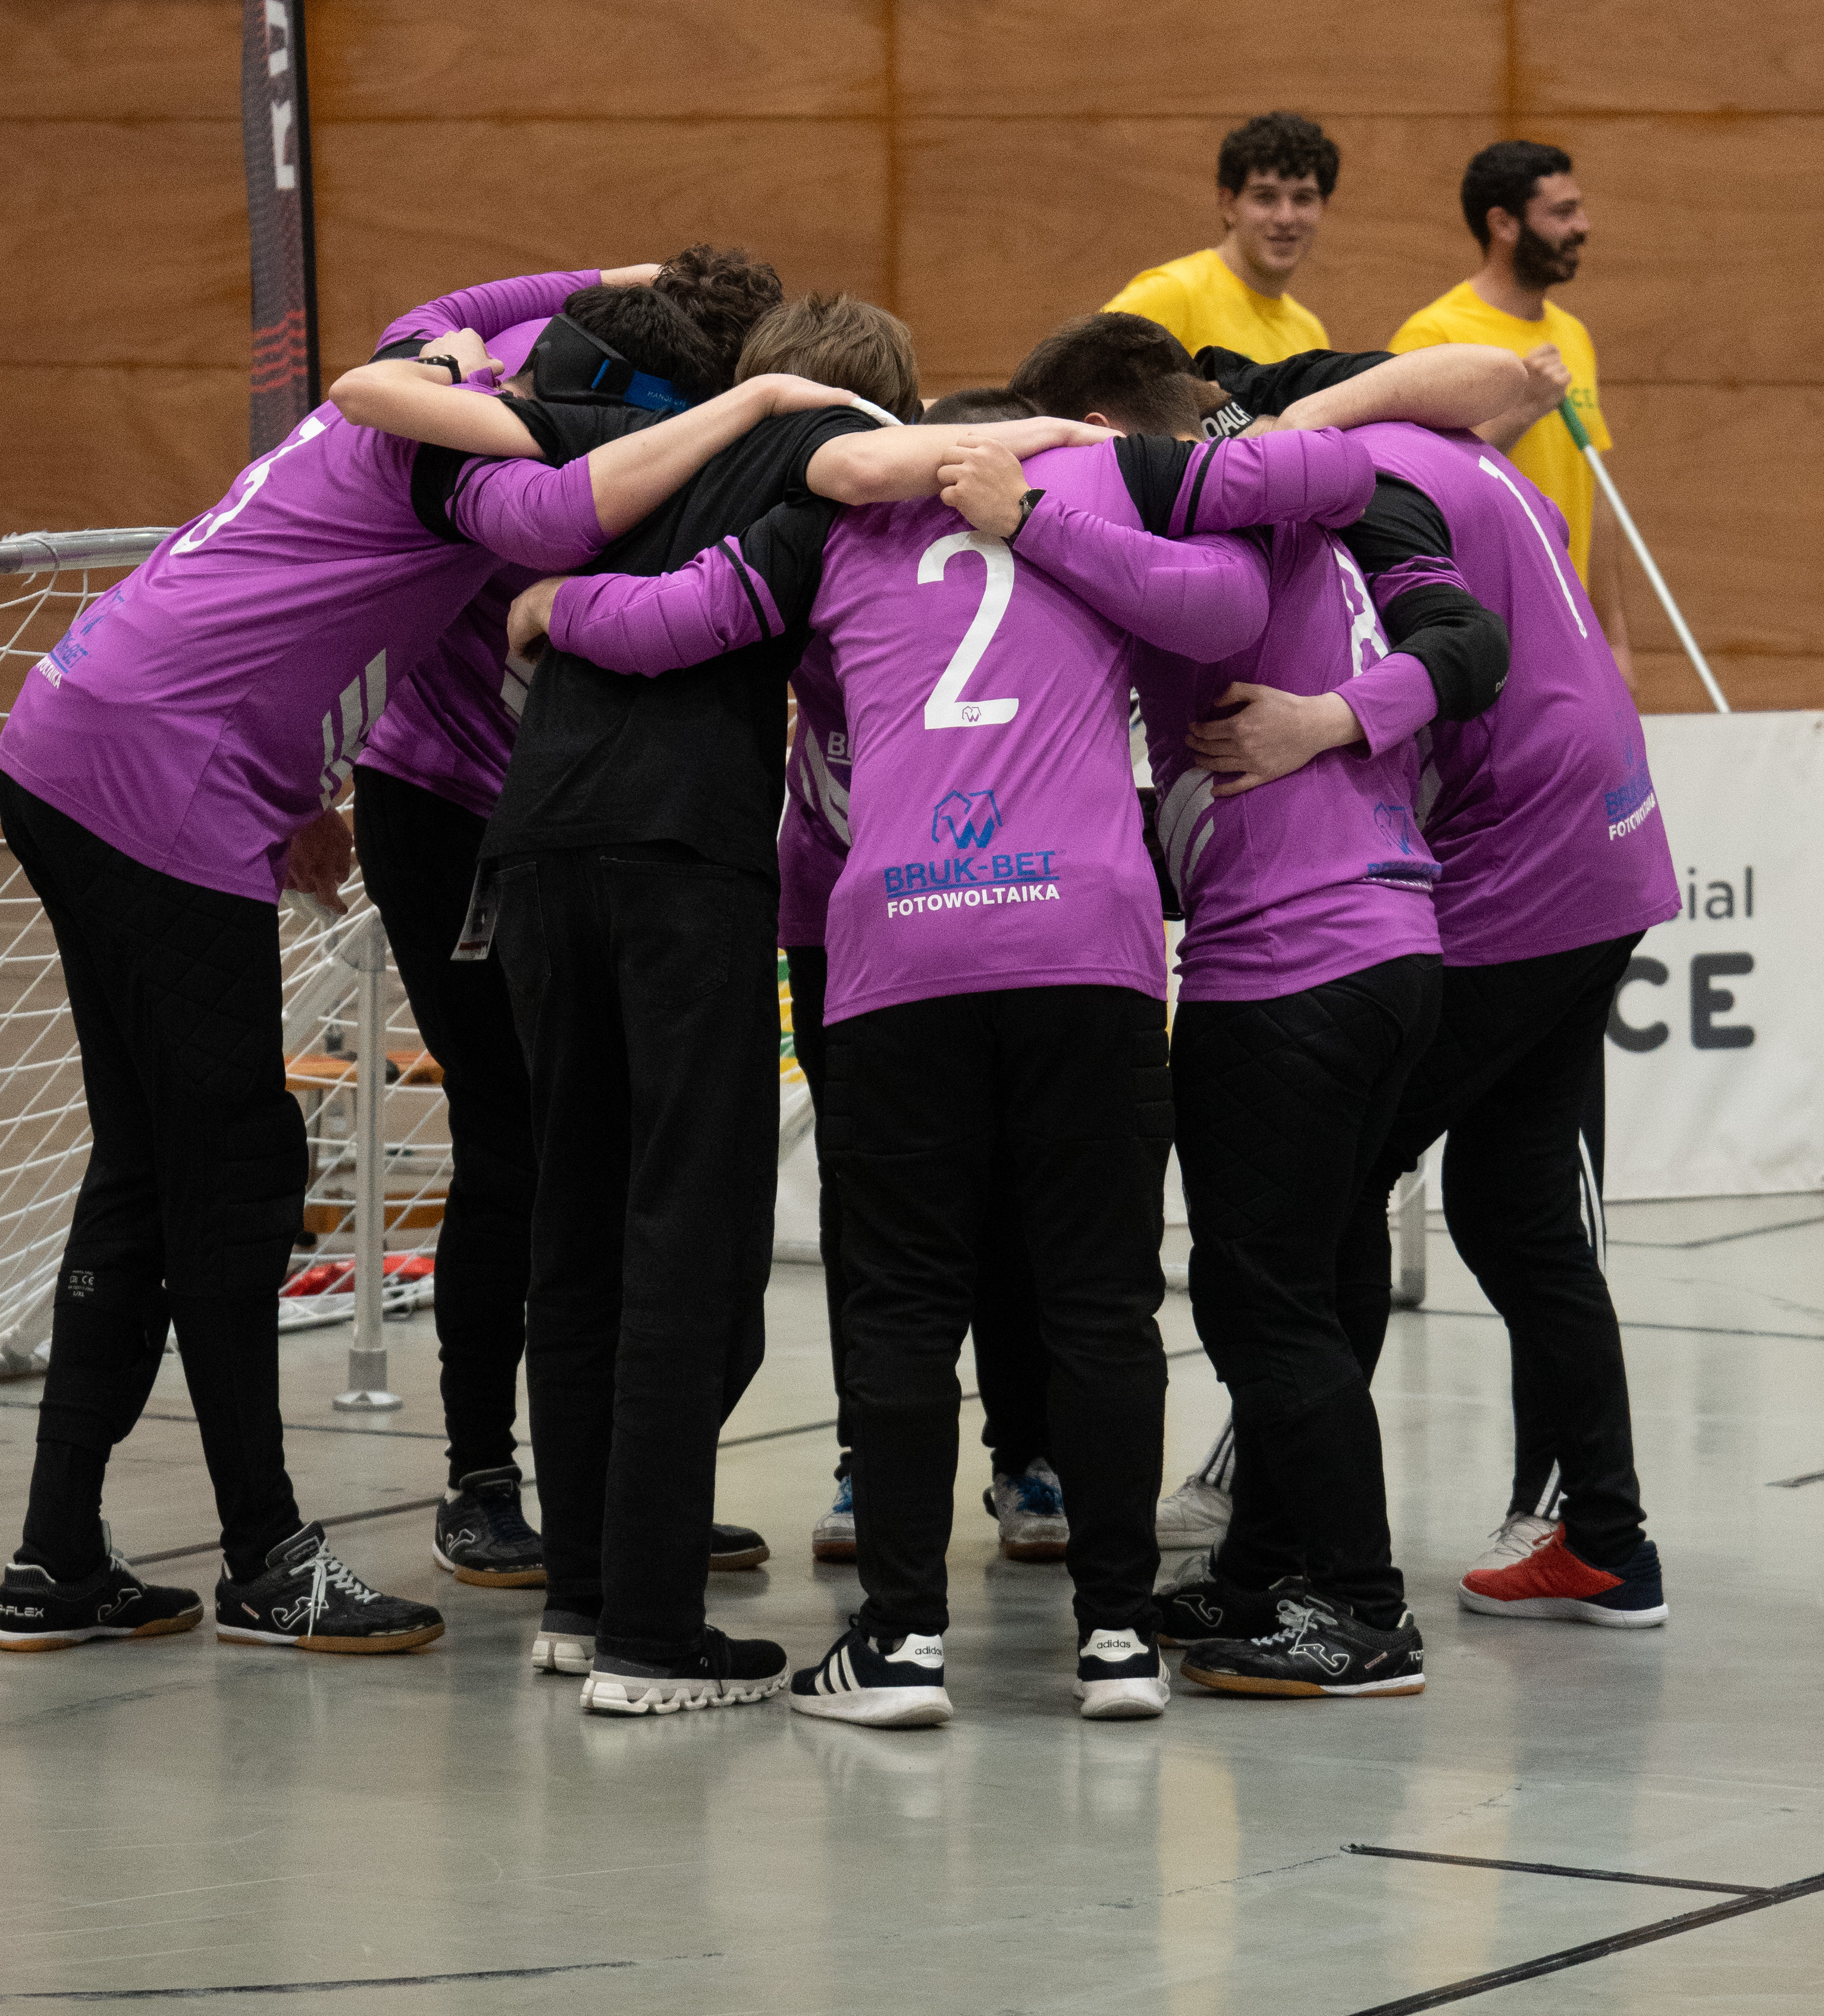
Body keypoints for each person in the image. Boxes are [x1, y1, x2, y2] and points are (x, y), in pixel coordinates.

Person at [520, 381, 1406, 1726]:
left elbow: (665, 623)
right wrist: (1049, 510)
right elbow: (1238, 595)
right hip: (1086, 945)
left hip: (901, 953)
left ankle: (900, 1643)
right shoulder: (1101, 483)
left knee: (902, 1308)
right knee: (1101, 1302)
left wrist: (546, 606)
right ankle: (1115, 1638)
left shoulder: (835, 515)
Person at [0, 288, 833, 1659]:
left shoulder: (428, 366)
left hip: (74, 733)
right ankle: (265, 1556)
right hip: (162, 784)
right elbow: (561, 521)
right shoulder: (470, 461)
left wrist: (623, 271)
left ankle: (58, 1556)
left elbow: (465, 313)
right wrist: (757, 407)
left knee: (146, 1170)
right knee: (234, 1177)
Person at [349, 328, 1102, 1719]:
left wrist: (537, 580)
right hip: (676, 863)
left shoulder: (588, 436)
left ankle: (578, 1605)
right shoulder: (805, 460)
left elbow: (405, 411)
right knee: (684, 1244)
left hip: (529, 851)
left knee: (568, 1231)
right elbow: (872, 476)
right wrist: (1071, 440)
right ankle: (651, 1636)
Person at [1002, 315, 1511, 1701]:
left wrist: (1031, 513)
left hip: (1295, 957)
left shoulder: (1213, 530)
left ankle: (1358, 1604)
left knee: (1260, 1297)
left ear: (1107, 434)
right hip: (1387, 935)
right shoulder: (1300, 511)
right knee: (1318, 1279)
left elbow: (1203, 612)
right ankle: (1275, 1569)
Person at [1182, 384, 1681, 1630]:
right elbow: (1493, 373)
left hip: (1520, 857)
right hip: (1609, 833)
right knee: (1513, 1213)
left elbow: (1457, 660)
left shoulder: (1352, 478)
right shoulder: (1459, 443)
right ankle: (1606, 1539)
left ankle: (1298, 1548)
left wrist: (1324, 725)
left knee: (1335, 1188)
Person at [350, 252, 781, 1595]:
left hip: (597, 814)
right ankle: (484, 1474)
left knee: (642, 1149)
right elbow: (413, 333)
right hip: (451, 799)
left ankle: (622, 1485)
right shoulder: (569, 390)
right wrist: (596, 275)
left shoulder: (710, 414)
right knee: (515, 1137)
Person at [783, 374, 1070, 1574]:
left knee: (1016, 1192)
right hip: (838, 905)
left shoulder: (1035, 558)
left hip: (1000, 901)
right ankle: (867, 1453)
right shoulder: (833, 544)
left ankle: (1028, 1452)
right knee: (870, 1202)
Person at [1389, 139, 1632, 681]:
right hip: (1488, 631)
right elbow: (1412, 488)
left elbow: (1598, 494)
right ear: (1503, 224)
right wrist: (1521, 410)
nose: (1583, 226)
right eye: (1563, 212)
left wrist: (1615, 637)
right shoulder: (1435, 334)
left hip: (1576, 631)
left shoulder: (1573, 334)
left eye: (1580, 208)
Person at [1105, 111, 1340, 367]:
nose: (1286, 218)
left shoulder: (1310, 334)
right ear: (1229, 205)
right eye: (1265, 197)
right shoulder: (1169, 294)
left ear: (1323, 207)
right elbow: (1076, 386)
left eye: (1303, 199)